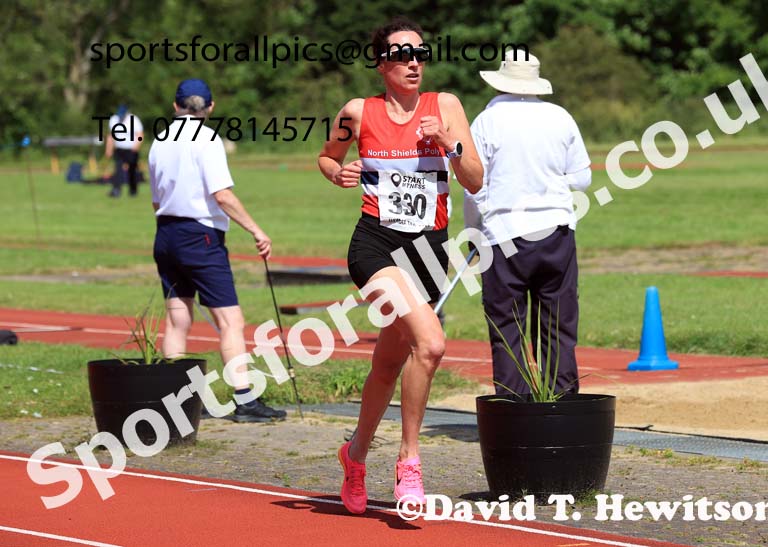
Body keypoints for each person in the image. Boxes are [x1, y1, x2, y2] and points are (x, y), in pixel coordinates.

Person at [318, 17, 483, 514]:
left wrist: (448, 146)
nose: (414, 62)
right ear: (381, 64)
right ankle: (409, 461)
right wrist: (338, 172)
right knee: (431, 344)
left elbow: (474, 179)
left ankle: (355, 455)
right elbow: (327, 158)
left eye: (420, 53)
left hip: (429, 251)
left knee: (390, 362)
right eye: (402, 55)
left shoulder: (446, 106)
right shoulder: (357, 112)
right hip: (376, 247)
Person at [149, 78, 286, 423]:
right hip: (201, 237)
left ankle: (175, 402)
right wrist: (256, 229)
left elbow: (155, 198)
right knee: (231, 320)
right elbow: (221, 195)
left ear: (175, 106)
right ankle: (245, 399)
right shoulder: (208, 139)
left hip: (165, 233)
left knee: (178, 318)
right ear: (210, 107)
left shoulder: (159, 140)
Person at [464, 49, 592, 397]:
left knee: (507, 327)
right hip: (557, 233)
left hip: (503, 237)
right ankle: (562, 404)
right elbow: (582, 180)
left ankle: (512, 409)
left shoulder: (486, 121)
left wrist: (473, 234)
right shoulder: (560, 117)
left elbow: (474, 186)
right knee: (558, 324)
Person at [105, 104, 144, 198]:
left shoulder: (134, 120)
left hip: (131, 149)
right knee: (118, 170)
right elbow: (111, 136)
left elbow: (140, 135)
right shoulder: (114, 119)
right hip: (119, 149)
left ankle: (133, 191)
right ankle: (116, 190)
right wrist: (108, 149)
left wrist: (136, 146)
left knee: (132, 170)